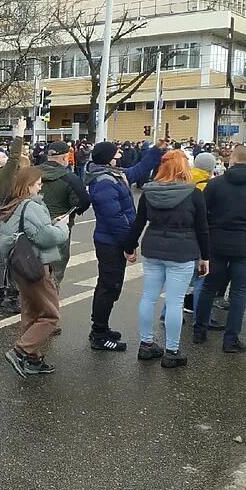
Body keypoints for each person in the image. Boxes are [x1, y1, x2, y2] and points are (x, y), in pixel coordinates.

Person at [124, 150, 210, 368]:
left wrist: (130, 246)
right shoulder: (193, 193)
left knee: (149, 297)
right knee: (175, 301)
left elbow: (139, 222)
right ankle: (172, 351)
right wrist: (205, 257)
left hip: (153, 248)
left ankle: (146, 344)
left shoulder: (149, 192)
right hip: (182, 250)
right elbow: (202, 228)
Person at [194, 145, 246, 352]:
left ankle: (200, 330)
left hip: (217, 242)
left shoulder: (216, 184)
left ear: (232, 159)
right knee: (239, 294)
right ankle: (231, 340)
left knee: (208, 287)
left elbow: (202, 214)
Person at [84, 139, 165, 349]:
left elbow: (139, 170)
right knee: (108, 286)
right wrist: (129, 245)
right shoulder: (103, 182)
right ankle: (99, 335)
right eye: (116, 154)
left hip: (114, 240)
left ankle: (101, 327)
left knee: (111, 285)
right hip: (110, 242)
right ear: (107, 158)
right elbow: (115, 218)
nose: (119, 156)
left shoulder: (115, 175)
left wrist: (156, 151)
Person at [0, 166, 70, 377]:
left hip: (21, 267)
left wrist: (50, 224)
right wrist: (62, 227)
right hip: (37, 266)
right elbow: (47, 237)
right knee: (50, 316)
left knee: (31, 314)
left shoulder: (12, 206)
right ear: (28, 186)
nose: (41, 186)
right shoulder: (31, 206)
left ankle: (33, 359)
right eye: (38, 183)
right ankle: (20, 351)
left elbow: (29, 232)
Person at [38, 141, 91, 289]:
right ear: (65, 157)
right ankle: (49, 303)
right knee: (56, 266)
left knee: (33, 264)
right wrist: (74, 212)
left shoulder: (32, 173)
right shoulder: (70, 177)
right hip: (59, 226)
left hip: (33, 224)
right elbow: (83, 201)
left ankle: (30, 301)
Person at [0, 118, 28, 315]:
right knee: (7, 259)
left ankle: (2, 296)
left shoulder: (2, 174)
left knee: (6, 258)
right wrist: (19, 132)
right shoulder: (0, 175)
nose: (7, 157)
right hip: (7, 220)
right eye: (2, 156)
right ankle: (7, 297)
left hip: (6, 219)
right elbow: (14, 158)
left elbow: (18, 161)